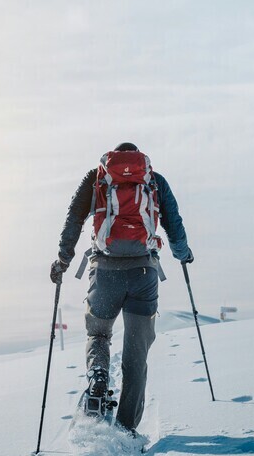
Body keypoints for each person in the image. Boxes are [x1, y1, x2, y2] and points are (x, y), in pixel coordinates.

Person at [50, 143, 193, 434]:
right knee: (136, 355)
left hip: (105, 272)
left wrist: (63, 259)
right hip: (144, 274)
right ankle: (126, 429)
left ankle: (99, 376)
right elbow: (173, 223)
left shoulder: (97, 179)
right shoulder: (154, 181)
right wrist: (183, 254)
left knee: (99, 333)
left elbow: (73, 219)